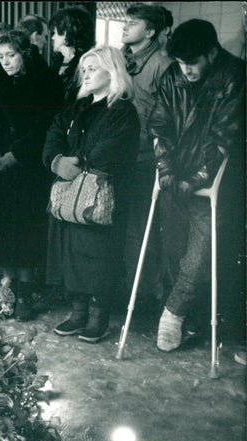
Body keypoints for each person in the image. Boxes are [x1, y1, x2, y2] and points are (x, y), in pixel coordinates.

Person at [149, 19, 246, 352]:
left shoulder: (235, 74)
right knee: (174, 249)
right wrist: (166, 171)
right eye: (180, 62)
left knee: (202, 252)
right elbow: (159, 126)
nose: (185, 70)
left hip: (214, 180)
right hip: (174, 177)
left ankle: (174, 315)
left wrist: (196, 178)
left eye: (192, 63)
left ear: (212, 52)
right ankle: (188, 321)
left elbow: (225, 137)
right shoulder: (172, 74)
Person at [0, 30, 64, 321]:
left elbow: (45, 125)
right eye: (2, 56)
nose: (6, 62)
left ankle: (25, 294)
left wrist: (15, 155)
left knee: (26, 235)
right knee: (0, 235)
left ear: (25, 53)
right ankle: (6, 291)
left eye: (12, 55)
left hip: (29, 170)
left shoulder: (47, 82)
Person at [43, 46, 140, 343]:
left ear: (112, 72)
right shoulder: (75, 108)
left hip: (103, 196)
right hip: (73, 193)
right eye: (83, 69)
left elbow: (112, 151)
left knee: (99, 256)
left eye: (92, 69)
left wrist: (79, 161)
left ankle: (99, 318)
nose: (85, 74)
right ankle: (78, 313)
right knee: (72, 254)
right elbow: (53, 136)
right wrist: (55, 160)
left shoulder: (123, 111)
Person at [120, 4, 173, 309]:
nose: (125, 27)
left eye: (133, 23)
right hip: (120, 155)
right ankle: (124, 291)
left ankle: (141, 298)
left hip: (145, 160)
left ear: (151, 31)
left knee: (141, 230)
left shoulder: (162, 64)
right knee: (124, 227)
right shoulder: (123, 58)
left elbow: (165, 119)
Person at [48, 7, 95, 105]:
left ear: (65, 33)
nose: (52, 37)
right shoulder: (57, 61)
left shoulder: (87, 63)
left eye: (55, 33)